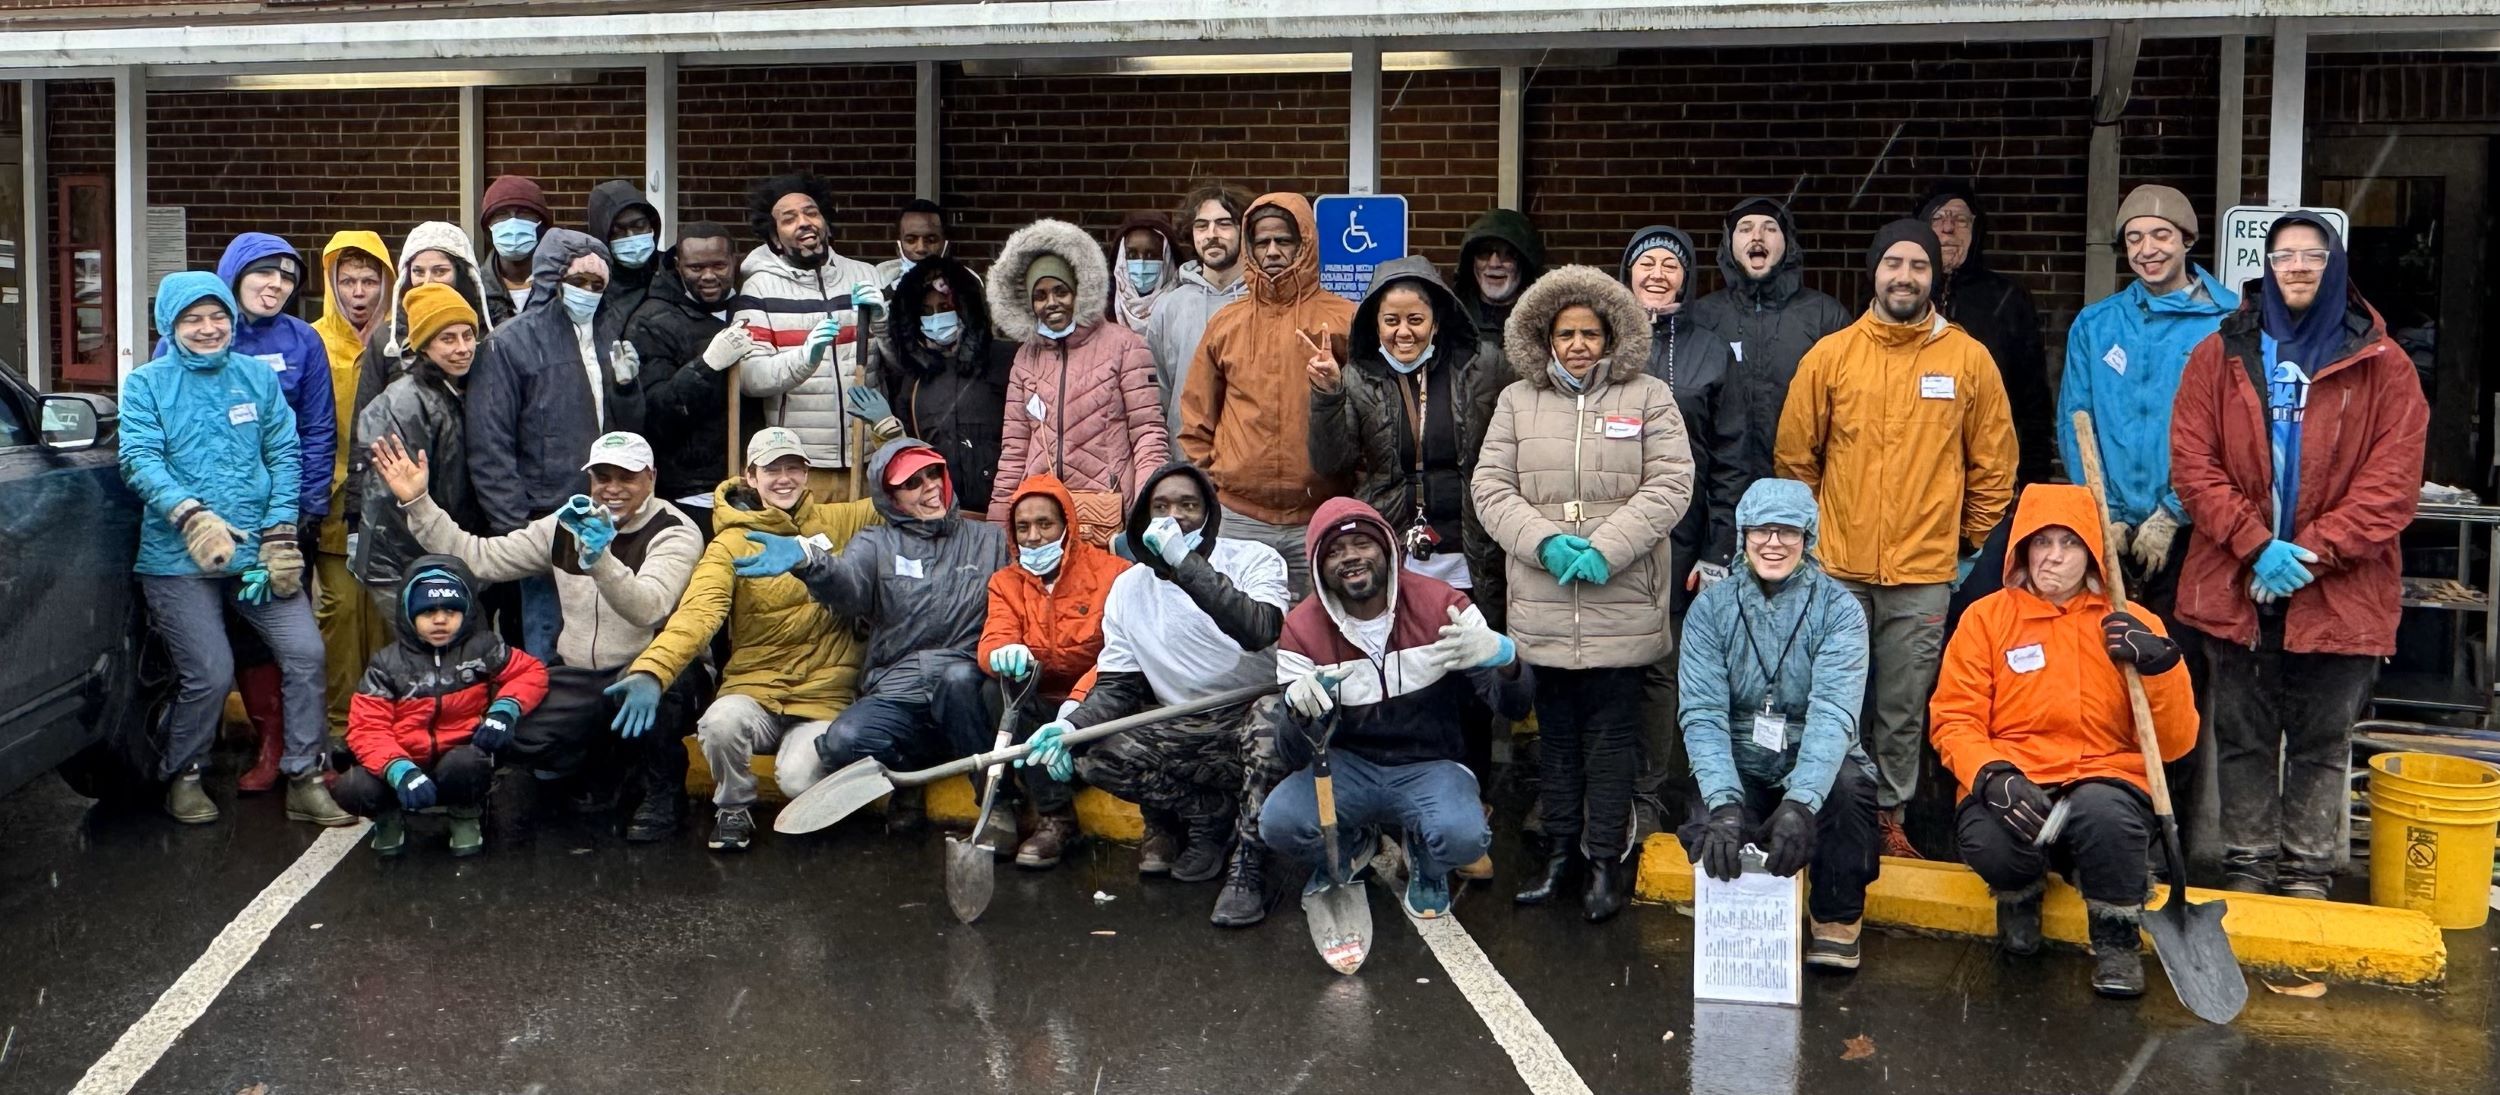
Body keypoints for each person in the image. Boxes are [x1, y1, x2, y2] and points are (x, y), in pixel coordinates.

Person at [2171, 211, 2427, 899]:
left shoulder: (2385, 365)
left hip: (2340, 591)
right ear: (2267, 266)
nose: (2298, 266)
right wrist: (2257, 547)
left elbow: (2391, 488)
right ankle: (2248, 869)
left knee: (2321, 742)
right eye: (2284, 255)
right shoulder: (2220, 352)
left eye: (2313, 254)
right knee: (2244, 736)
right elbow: (2193, 466)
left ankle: (2307, 874)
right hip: (2236, 581)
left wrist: (2306, 554)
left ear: (2335, 263)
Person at [1774, 218, 2017, 858]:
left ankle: (1887, 816)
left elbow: (1994, 465)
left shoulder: (1967, 360)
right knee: (1831, 697)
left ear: (1934, 276)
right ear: (1874, 272)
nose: (1904, 276)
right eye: (1893, 264)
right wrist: (1812, 546)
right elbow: (1796, 460)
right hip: (1837, 568)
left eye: (1918, 265)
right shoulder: (1832, 357)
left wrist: (1963, 546)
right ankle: (1829, 807)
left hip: (1924, 573)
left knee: (1904, 707)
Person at [1473, 265, 1692, 922]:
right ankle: (1560, 854)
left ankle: (1604, 859)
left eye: (1589, 332)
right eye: (1565, 332)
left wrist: (1606, 547)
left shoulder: (1649, 396)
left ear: (1610, 335)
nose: (1577, 344)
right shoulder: (1517, 402)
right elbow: (1492, 489)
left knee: (1611, 741)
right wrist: (1543, 542)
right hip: (1544, 598)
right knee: (1558, 740)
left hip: (1619, 599)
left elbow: (1671, 485)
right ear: (1544, 338)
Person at [1929, 484, 2199, 995]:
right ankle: (2020, 895)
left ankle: (2116, 938)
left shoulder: (2132, 624)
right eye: (2042, 541)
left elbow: (2175, 744)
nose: (2054, 556)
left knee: (2105, 815)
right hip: (2017, 775)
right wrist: (1991, 775)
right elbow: (1954, 719)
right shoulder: (1985, 620)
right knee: (1990, 837)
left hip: (2104, 777)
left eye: (2070, 543)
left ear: (2093, 552)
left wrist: (2162, 668)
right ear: (2022, 549)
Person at [369, 430, 703, 841]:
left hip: (652, 667)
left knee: (660, 697)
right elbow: (480, 559)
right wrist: (419, 503)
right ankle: (605, 766)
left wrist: (600, 559)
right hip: (581, 671)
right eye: (602, 477)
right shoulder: (567, 522)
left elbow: (649, 606)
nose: (612, 489)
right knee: (518, 733)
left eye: (627, 477)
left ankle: (662, 793)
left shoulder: (676, 530)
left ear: (651, 477)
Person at [117, 271, 352, 828]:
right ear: (169, 326)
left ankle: (304, 776)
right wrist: (191, 515)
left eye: (217, 316)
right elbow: (138, 460)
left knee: (305, 652)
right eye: (192, 319)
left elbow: (285, 454)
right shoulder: (146, 385)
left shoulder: (255, 378)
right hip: (178, 557)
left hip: (255, 558)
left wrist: (278, 533)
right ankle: (185, 773)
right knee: (212, 671)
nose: (207, 328)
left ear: (231, 318)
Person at [1305, 254, 1509, 876]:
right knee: (1411, 680)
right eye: (1390, 320)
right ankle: (1404, 812)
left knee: (1472, 679)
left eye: (1415, 318)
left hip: (1470, 546)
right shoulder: (1360, 376)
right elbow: (1331, 459)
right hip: (1395, 546)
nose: (1403, 331)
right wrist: (1326, 395)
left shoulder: (1480, 367)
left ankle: (1470, 803)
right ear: (1375, 322)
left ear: (1438, 319)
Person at [1019, 462, 1289, 926]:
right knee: (1092, 753)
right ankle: (1209, 815)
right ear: (1143, 517)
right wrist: (1071, 726)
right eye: (1161, 506)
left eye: (1189, 505)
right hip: (1186, 724)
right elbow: (1117, 686)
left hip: (1256, 717)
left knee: (1270, 717)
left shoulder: (1256, 560)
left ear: (1209, 514)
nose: (1175, 516)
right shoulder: (1128, 587)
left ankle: (1249, 863)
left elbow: (1257, 629)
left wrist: (1186, 565)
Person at [1261, 498, 1535, 920]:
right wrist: (1296, 714)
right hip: (1348, 766)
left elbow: (1512, 707)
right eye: (1334, 551)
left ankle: (1426, 858)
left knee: (1464, 838)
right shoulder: (1301, 629)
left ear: (1388, 548)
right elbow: (1293, 754)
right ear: (1318, 567)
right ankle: (1353, 845)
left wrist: (1507, 661)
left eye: (1362, 544)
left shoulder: (1442, 605)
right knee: (1279, 822)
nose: (1350, 557)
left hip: (1432, 763)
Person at [619, 427, 882, 851]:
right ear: (751, 477)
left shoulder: (843, 521)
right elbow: (699, 612)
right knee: (720, 723)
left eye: (793, 468)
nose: (784, 478)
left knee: (797, 781)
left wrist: (887, 434)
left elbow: (903, 487)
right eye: (771, 469)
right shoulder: (729, 543)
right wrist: (653, 669)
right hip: (755, 689)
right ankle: (733, 808)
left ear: (807, 473)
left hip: (823, 697)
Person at [732, 437, 1008, 830]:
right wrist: (810, 561)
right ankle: (910, 773)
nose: (930, 487)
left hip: (964, 682)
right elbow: (849, 588)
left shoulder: (990, 540)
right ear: (890, 496)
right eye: (913, 483)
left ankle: (995, 803)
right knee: (843, 740)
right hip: (897, 686)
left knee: (960, 680)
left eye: (934, 474)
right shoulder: (875, 542)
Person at [1678, 478, 1878, 969]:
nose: (1773, 542)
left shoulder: (1840, 611)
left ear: (1807, 538)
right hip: (1741, 754)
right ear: (1743, 535)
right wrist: (1724, 802)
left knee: (1850, 791)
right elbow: (1702, 712)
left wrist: (1801, 803)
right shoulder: (1711, 608)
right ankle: (1737, 913)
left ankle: (1835, 916)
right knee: (1708, 818)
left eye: (1787, 531)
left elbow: (1834, 714)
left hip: (1815, 752)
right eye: (1761, 530)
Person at [181, 233, 338, 796]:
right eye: (263, 274)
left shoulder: (303, 341)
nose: (276, 286)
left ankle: (301, 750)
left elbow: (318, 430)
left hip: (283, 520)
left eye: (288, 277)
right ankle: (268, 742)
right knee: (237, 640)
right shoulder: (192, 338)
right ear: (233, 274)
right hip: (206, 527)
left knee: (292, 637)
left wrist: (305, 512)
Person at [1619, 224, 1748, 835]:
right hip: (1608, 536)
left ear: (1688, 278)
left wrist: (1719, 548)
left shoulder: (1711, 350)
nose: (1658, 274)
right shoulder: (1605, 340)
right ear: (1627, 274)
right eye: (1646, 263)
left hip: (1683, 540)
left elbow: (1730, 458)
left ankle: (1647, 795)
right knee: (1601, 666)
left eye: (1671, 265)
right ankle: (1595, 787)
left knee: (1659, 670)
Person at [2059, 185, 2237, 616]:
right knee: (2112, 654)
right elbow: (2075, 421)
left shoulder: (2227, 322)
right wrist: (2107, 512)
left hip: (2196, 524)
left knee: (2181, 656)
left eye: (2161, 235)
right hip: (2112, 525)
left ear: (2187, 241)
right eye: (2135, 238)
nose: (2147, 249)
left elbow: (2232, 430)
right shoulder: (2097, 323)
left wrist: (2173, 513)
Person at [467, 229, 642, 658]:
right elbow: (490, 445)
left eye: (597, 284)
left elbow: (633, 434)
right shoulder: (510, 344)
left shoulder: (609, 335)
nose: (587, 292)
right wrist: (518, 529)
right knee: (545, 642)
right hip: (546, 519)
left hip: (608, 514)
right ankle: (544, 722)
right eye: (577, 281)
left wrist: (626, 388)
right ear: (551, 278)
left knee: (603, 638)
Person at [1179, 193, 1355, 597]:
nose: (1273, 251)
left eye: (1284, 241)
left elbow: (1368, 415)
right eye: (1262, 242)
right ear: (1250, 247)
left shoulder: (1345, 318)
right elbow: (1196, 418)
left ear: (1305, 244)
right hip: (1239, 517)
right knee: (1241, 639)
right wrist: (1213, 485)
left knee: (1321, 641)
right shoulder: (1226, 323)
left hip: (1320, 514)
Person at [337, 556, 550, 857]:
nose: (440, 620)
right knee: (353, 786)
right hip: (403, 760)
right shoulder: (385, 664)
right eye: (427, 611)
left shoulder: (483, 648)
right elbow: (366, 728)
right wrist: (400, 771)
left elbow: (531, 672)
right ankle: (387, 818)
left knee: (467, 763)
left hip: (458, 757)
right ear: (409, 615)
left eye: (451, 610)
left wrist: (504, 710)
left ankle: (465, 813)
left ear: (466, 612)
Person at [977, 474, 1131, 867]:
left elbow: (1122, 653)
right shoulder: (1005, 583)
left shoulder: (1112, 574)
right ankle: (1055, 816)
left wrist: (1076, 708)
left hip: (1097, 710)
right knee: (987, 690)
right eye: (1023, 527)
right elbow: (994, 637)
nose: (1033, 536)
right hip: (1038, 714)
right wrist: (1001, 652)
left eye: (1045, 524)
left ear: (1067, 524)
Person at [987, 218, 1169, 536]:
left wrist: (1145, 512)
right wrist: (997, 529)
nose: (1052, 303)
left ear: (1080, 291)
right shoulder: (1025, 359)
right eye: (1040, 295)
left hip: (1108, 517)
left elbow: (1148, 436)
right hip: (1041, 523)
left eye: (1061, 291)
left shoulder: (1125, 345)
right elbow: (1014, 451)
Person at [731, 173, 885, 502]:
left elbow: (898, 365)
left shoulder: (865, 275)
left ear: (826, 222)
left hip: (869, 458)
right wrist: (804, 359)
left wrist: (886, 324)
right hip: (801, 466)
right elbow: (749, 378)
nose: (804, 222)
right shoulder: (758, 288)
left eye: (811, 212)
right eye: (789, 219)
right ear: (774, 236)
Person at [1689, 197, 1852, 501]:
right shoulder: (1703, 316)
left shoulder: (1825, 316)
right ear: (1729, 243)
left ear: (1787, 242)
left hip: (1803, 493)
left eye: (1770, 228)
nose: (1757, 237)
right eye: (1745, 228)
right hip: (1721, 496)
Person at [348, 285, 487, 600]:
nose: (463, 348)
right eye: (447, 339)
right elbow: (395, 499)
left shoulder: (458, 389)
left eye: (468, 336)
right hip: (404, 564)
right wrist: (434, 569)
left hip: (441, 552)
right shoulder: (406, 402)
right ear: (424, 346)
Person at [311, 231, 395, 737]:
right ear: (331, 284)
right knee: (341, 611)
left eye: (369, 280)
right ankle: (342, 725)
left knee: (385, 614)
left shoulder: (400, 339)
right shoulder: (314, 341)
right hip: (332, 503)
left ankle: (386, 720)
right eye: (347, 281)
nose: (359, 292)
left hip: (393, 505)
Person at [1917, 181, 2054, 486]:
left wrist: (2033, 480)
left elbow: (2033, 399)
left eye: (1960, 219)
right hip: (1911, 473)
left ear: (1976, 231)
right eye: (1937, 218)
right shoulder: (1900, 297)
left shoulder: (2007, 299)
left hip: (1987, 475)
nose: (1948, 228)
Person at [627, 221, 755, 542]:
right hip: (691, 495)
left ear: (735, 261)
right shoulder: (653, 321)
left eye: (718, 265)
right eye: (696, 267)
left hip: (754, 487)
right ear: (677, 265)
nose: (709, 276)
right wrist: (707, 365)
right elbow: (656, 412)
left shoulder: (754, 307)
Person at [873, 254, 1014, 516]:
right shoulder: (914, 380)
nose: (936, 318)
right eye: (926, 312)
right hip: (942, 517)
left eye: (945, 307)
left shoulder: (1005, 361)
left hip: (1001, 512)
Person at [346, 222, 500, 426]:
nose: (428, 281)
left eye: (440, 271)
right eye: (418, 272)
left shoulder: (491, 335)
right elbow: (365, 419)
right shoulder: (387, 338)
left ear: (461, 274)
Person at [1144, 182, 1253, 433]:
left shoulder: (1262, 301)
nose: (1212, 234)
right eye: (1202, 225)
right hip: (1186, 459)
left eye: (1224, 224)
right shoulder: (1169, 306)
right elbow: (1158, 397)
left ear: (1244, 230)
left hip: (1250, 459)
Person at [1451, 209, 1548, 370]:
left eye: (1508, 255)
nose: (1494, 263)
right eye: (1484, 253)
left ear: (1525, 264)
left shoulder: (1545, 320)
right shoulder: (1451, 318)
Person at [587, 179, 664, 350]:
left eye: (639, 226)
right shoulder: (592, 288)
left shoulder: (671, 271)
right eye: (618, 231)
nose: (631, 236)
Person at [481, 174, 553, 323]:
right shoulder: (474, 292)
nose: (513, 222)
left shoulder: (564, 287)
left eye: (524, 213)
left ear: (542, 224)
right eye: (501, 214)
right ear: (489, 228)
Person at [1109, 211, 1180, 334]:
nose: (1141, 263)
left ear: (1166, 259)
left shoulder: (1183, 304)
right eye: (1132, 255)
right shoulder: (1103, 307)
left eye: (1151, 255)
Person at [874, 198, 955, 290]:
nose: (921, 248)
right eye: (911, 240)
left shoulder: (967, 281)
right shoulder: (880, 277)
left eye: (931, 240)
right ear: (898, 247)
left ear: (946, 245)